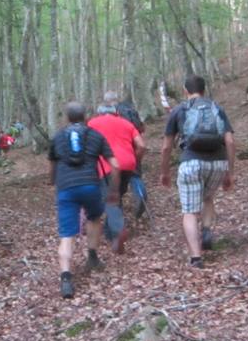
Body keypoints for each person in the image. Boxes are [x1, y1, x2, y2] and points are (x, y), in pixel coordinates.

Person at [160, 74, 236, 268]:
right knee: (207, 197)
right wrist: (230, 172)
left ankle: (196, 257)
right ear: (204, 89)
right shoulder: (216, 108)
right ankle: (207, 229)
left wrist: (165, 171)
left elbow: (166, 147)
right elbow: (230, 141)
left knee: (190, 212)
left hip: (191, 162)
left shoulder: (179, 110)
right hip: (218, 162)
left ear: (186, 91)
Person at [49, 101, 121, 299]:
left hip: (66, 188)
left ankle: (65, 277)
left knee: (66, 234)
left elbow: (53, 166)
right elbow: (115, 165)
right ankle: (92, 256)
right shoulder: (96, 136)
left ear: (66, 118)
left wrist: (52, 182)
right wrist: (114, 190)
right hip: (90, 185)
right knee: (94, 217)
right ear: (86, 116)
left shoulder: (57, 137)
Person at [88, 92, 146, 254]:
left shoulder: (93, 123)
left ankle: (118, 230)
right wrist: (136, 160)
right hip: (128, 164)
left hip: (107, 165)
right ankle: (111, 234)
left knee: (109, 200)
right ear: (116, 112)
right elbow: (141, 145)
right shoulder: (126, 123)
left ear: (100, 111)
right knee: (116, 196)